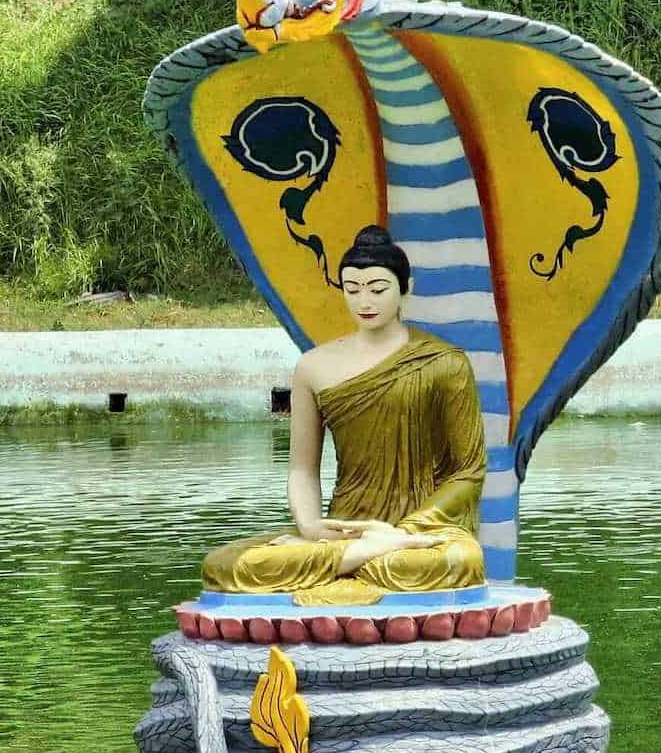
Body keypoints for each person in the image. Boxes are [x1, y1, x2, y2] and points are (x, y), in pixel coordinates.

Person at [202, 225, 486, 605]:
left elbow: (469, 471)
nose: (364, 301)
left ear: (406, 288)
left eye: (378, 289)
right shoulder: (314, 367)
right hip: (344, 526)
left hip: (419, 532)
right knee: (226, 564)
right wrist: (310, 526)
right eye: (352, 289)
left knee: (458, 560)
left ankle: (351, 560)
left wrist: (405, 530)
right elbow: (302, 470)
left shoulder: (445, 363)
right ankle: (358, 556)